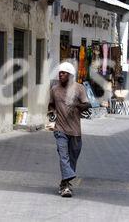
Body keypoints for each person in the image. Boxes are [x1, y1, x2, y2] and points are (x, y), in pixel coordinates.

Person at [48, 62, 91, 198]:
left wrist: (76, 105)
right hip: (60, 129)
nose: (61, 75)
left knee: (72, 158)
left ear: (70, 75)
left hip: (75, 131)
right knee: (63, 156)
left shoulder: (79, 88)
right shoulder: (54, 89)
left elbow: (87, 104)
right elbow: (51, 106)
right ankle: (67, 185)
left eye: (64, 73)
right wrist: (51, 113)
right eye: (60, 72)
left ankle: (64, 182)